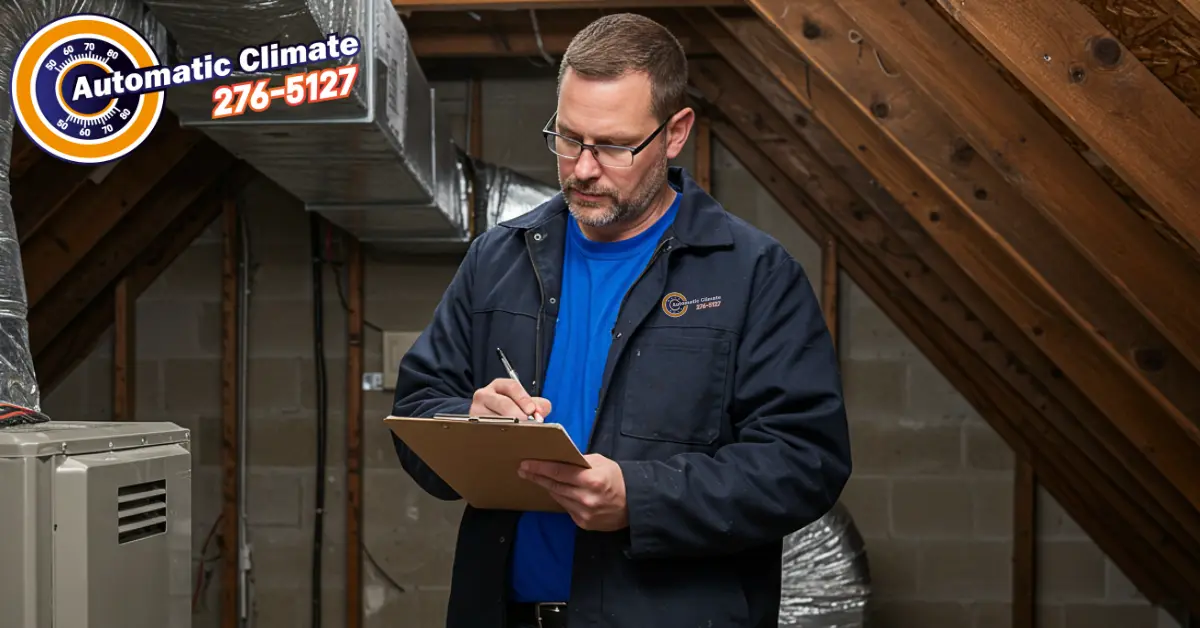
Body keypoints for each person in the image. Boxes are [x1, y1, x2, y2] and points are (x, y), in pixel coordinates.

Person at [391, 12, 851, 628]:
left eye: (611, 145)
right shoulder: (497, 258)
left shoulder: (753, 275)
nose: (582, 168)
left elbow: (805, 461)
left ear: (675, 131)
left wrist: (642, 497)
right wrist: (468, 423)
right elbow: (418, 406)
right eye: (568, 138)